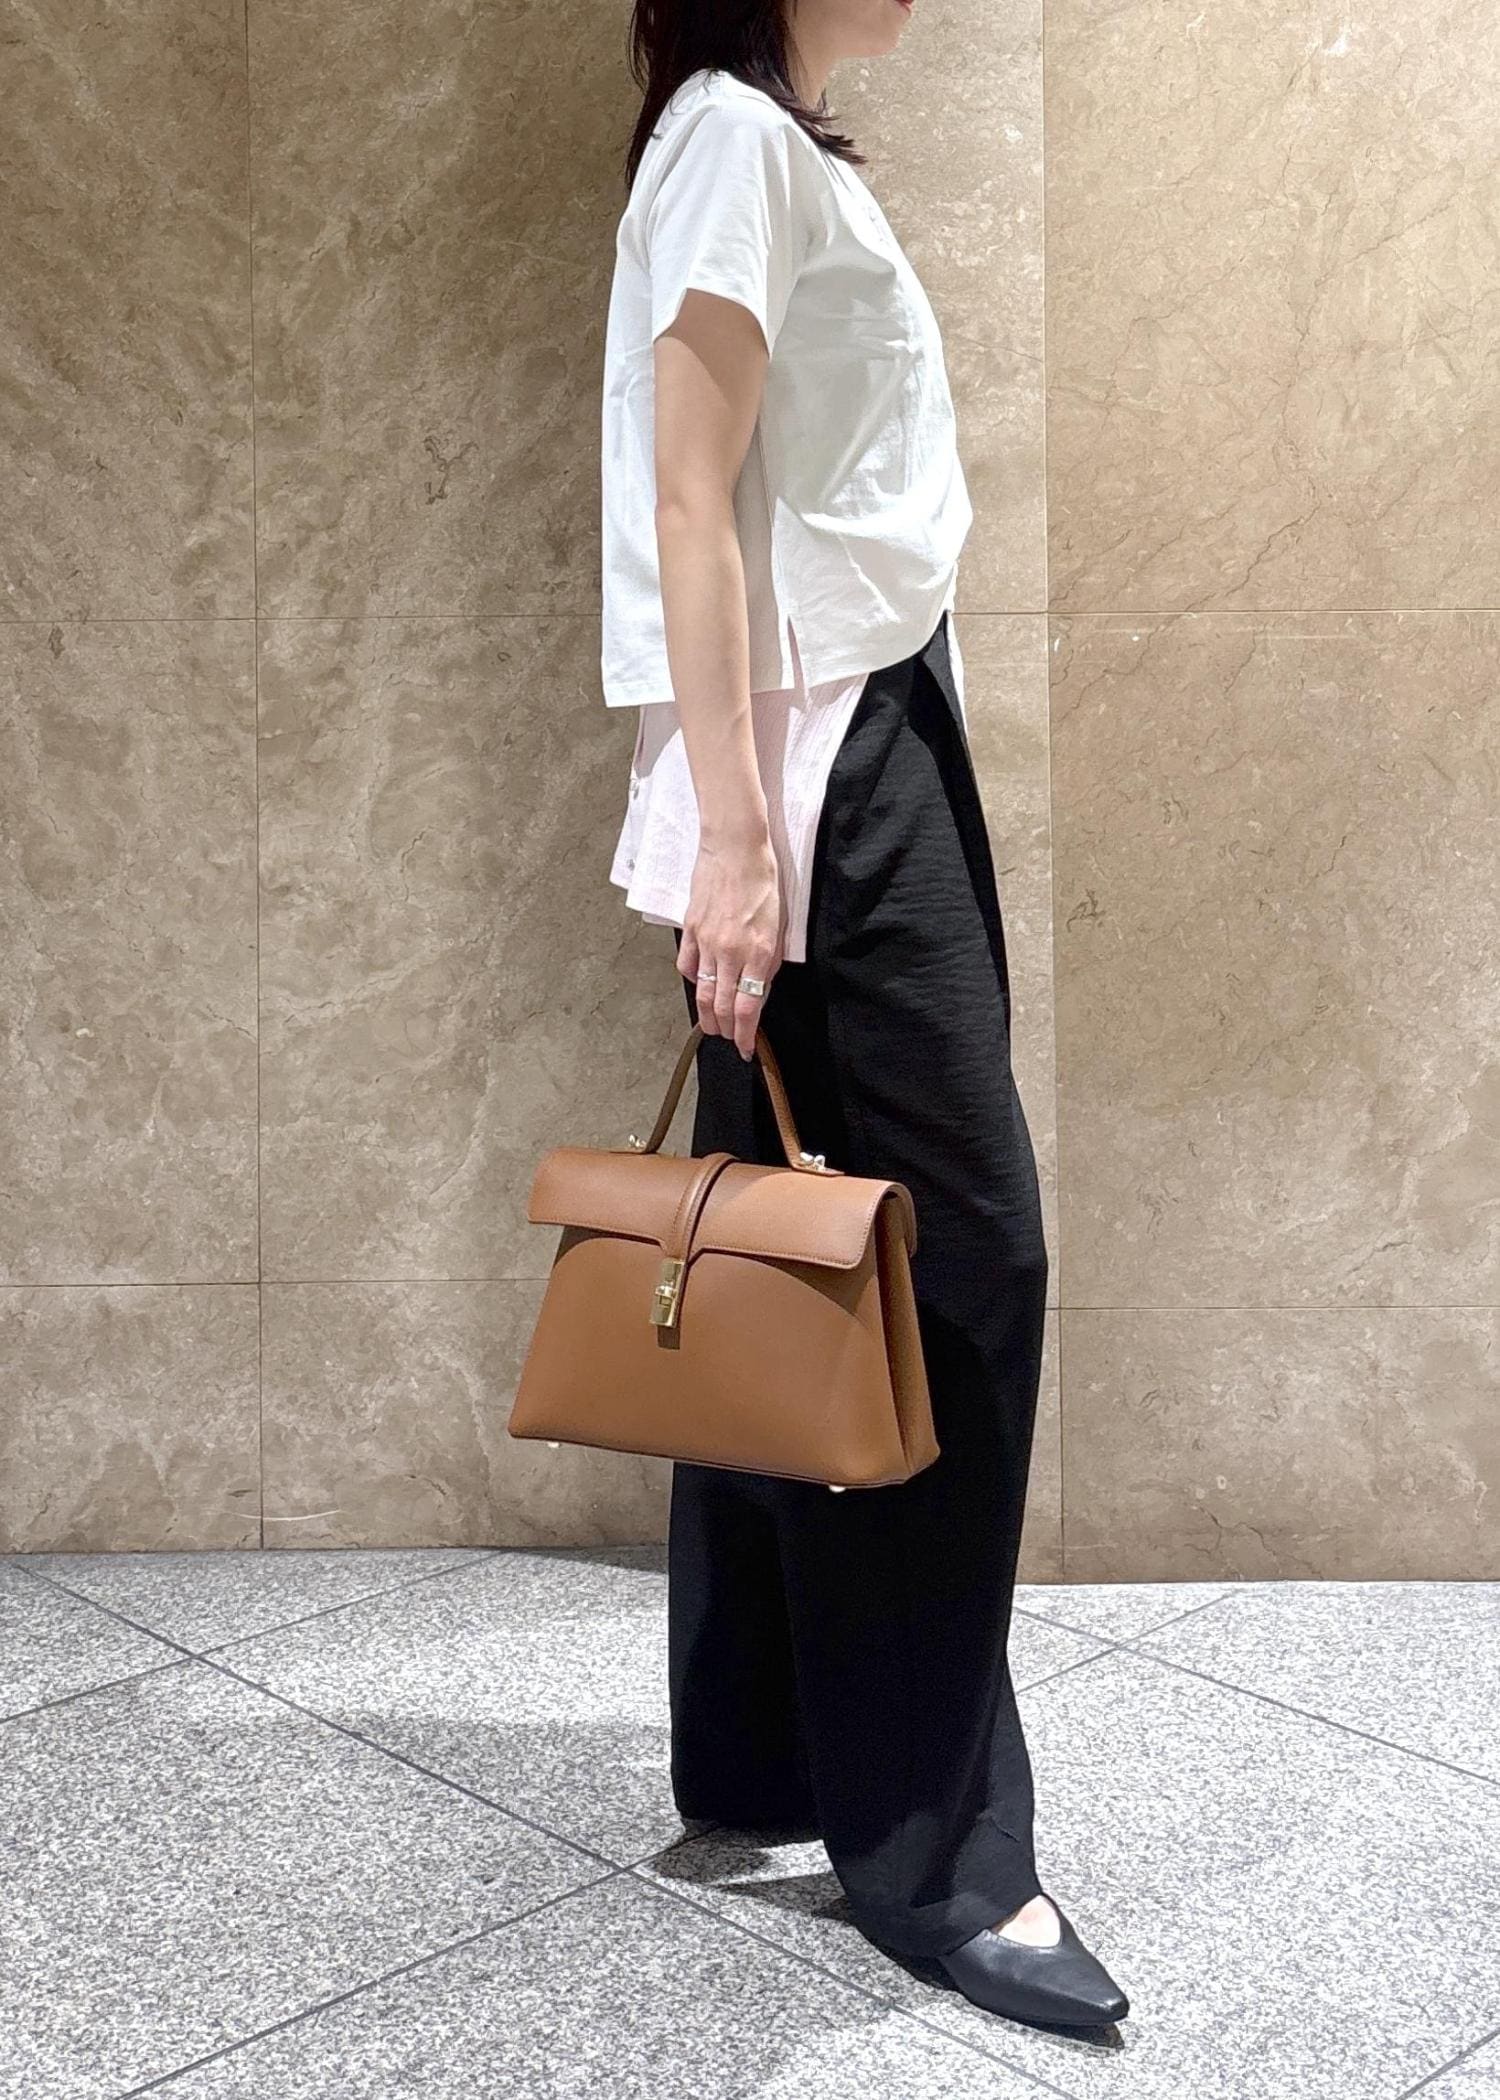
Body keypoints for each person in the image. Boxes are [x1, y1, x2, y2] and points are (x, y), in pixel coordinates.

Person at [598, 0, 1130, 2032]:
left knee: (781, 1255)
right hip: (827, 770)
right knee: (955, 1268)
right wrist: (742, 839)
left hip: (857, 736)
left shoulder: (758, 141)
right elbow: (687, 491)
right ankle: (936, 1853)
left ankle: (764, 1752)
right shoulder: (733, 138)